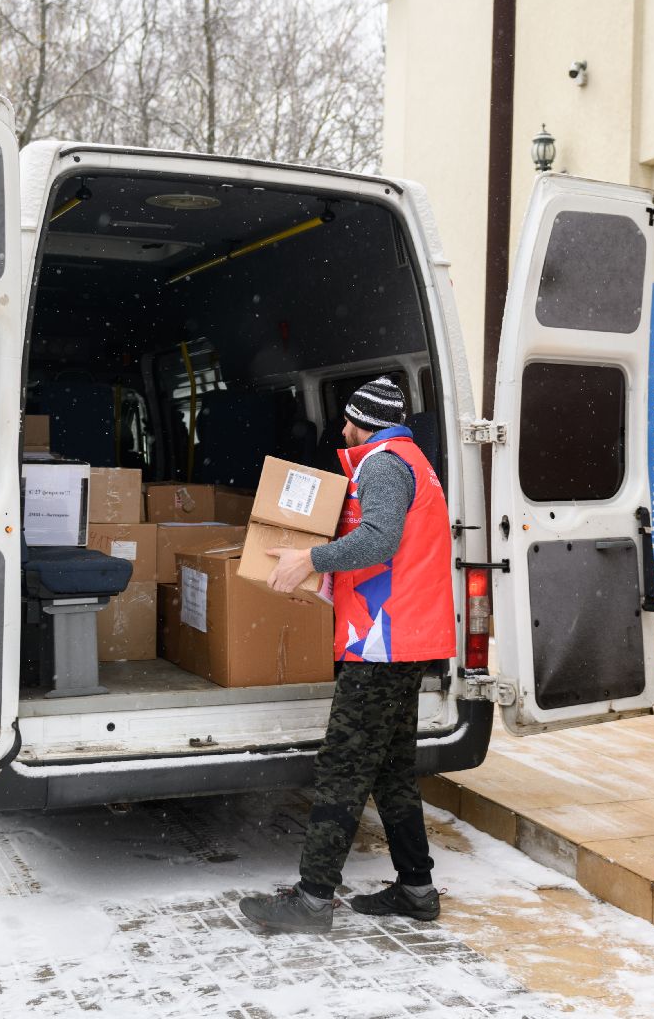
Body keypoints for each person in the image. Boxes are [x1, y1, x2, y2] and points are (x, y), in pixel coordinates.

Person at [238, 376, 456, 933]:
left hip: (384, 640)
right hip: (397, 636)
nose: (340, 428)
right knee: (390, 768)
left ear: (365, 422)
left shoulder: (383, 464)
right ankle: (416, 888)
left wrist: (310, 559)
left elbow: (380, 539)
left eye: (348, 419)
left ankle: (311, 901)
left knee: (344, 766)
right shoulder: (408, 459)